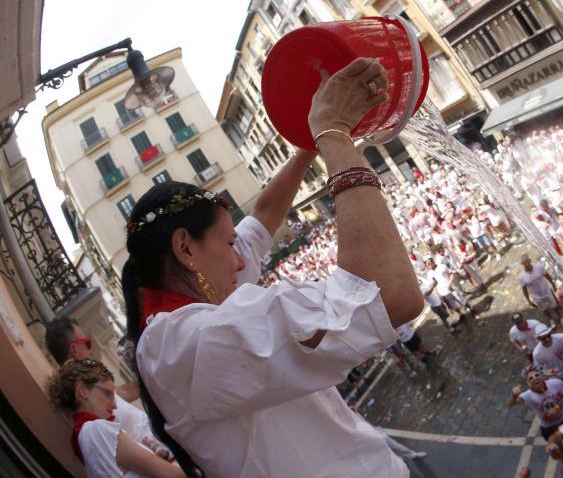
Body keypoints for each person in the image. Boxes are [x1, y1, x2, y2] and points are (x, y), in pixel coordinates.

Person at [125, 58, 424, 477]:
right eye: (229, 244)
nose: (242, 258)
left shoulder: (204, 297)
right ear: (185, 250)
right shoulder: (179, 345)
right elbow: (386, 293)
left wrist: (305, 148)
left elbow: (263, 215)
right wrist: (333, 132)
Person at [44, 318, 169, 459]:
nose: (90, 350)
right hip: (157, 456)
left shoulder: (91, 384)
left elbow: (124, 393)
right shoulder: (86, 400)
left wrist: (155, 372)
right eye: (87, 343)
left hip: (161, 447)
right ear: (74, 349)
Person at [45, 359, 183, 478]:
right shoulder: (96, 429)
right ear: (82, 390)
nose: (115, 404)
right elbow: (172, 475)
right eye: (108, 394)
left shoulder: (86, 435)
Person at [509, 365, 563, 441]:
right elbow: (511, 403)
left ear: (542, 376)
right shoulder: (528, 395)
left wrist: (557, 406)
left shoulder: (555, 383)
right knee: (552, 442)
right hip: (548, 426)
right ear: (529, 384)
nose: (534, 378)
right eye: (530, 378)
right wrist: (514, 395)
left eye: (536, 375)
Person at [519, 255, 560, 326]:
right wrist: (528, 300)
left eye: (527, 262)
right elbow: (524, 289)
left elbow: (547, 276)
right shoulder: (522, 277)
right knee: (544, 309)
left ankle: (560, 317)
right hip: (536, 296)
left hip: (546, 290)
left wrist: (553, 284)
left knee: (554, 305)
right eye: (525, 263)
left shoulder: (539, 268)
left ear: (530, 261)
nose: (527, 264)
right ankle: (551, 319)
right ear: (522, 264)